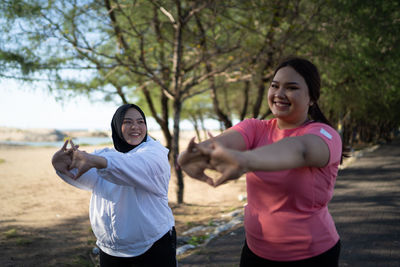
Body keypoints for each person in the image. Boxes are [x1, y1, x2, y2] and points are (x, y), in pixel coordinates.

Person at [178, 57, 342, 266]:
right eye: (275, 86)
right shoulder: (255, 128)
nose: (279, 94)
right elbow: (217, 145)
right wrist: (190, 156)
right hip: (255, 251)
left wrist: (244, 160)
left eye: (291, 88)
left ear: (312, 98)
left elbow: (300, 151)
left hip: (311, 255)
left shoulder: (325, 135)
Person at [51, 103, 176, 267]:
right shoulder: (106, 154)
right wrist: (61, 164)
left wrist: (98, 161)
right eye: (127, 122)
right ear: (117, 126)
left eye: (140, 122)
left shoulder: (155, 153)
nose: (135, 127)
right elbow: (82, 176)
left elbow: (132, 167)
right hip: (110, 250)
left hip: (153, 245)